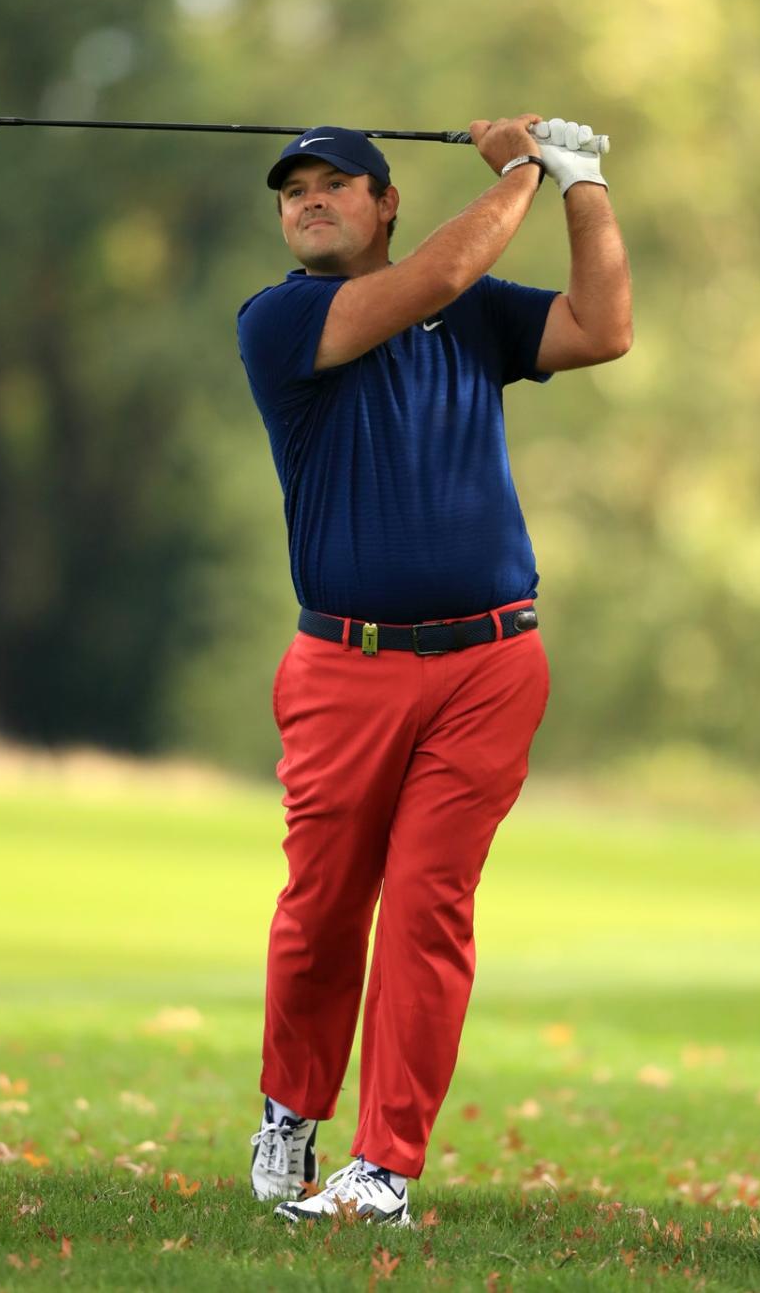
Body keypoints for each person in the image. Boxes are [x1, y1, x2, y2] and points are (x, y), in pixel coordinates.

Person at [236, 114, 632, 1226]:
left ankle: (382, 1169)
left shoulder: (471, 314)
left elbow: (603, 326)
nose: (309, 201)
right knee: (322, 909)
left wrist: (582, 184)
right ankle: (291, 1109)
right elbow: (430, 279)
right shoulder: (280, 320)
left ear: (386, 199)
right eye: (293, 190)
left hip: (492, 664)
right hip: (342, 667)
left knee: (427, 908)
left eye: (335, 183)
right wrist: (519, 167)